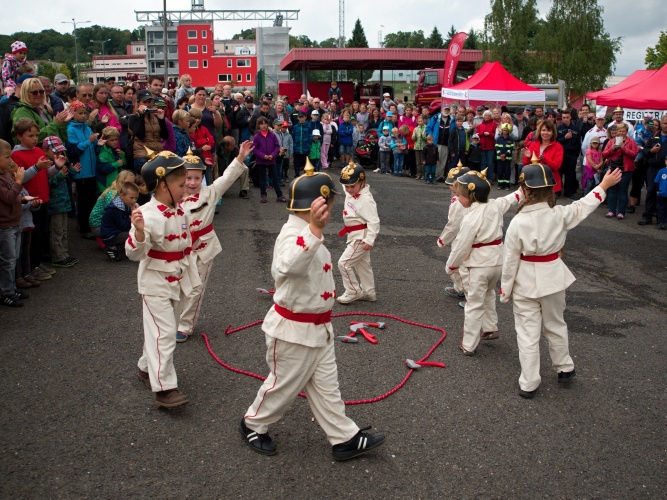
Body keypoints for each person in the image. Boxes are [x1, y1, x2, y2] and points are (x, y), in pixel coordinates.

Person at [240, 164, 385, 460]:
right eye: (329, 203)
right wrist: (315, 231)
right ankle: (253, 423)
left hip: (319, 328)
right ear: (317, 205)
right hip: (293, 331)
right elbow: (285, 268)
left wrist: (314, 231)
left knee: (327, 387)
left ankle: (344, 437)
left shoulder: (306, 230)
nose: (331, 209)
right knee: (283, 385)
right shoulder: (293, 233)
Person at [500, 161, 622, 398]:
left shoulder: (518, 222)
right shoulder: (560, 214)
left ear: (524, 189)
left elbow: (510, 260)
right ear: (550, 189)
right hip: (554, 278)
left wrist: (505, 290)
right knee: (556, 324)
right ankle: (564, 367)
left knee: (527, 334)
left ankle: (529, 382)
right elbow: (583, 205)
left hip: (525, 282)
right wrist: (604, 185)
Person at [126, 151, 200, 408]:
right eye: (180, 184)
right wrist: (139, 233)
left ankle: (146, 367)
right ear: (162, 185)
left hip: (177, 279)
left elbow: (185, 242)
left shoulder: (180, 210)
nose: (185, 189)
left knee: (162, 330)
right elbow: (133, 253)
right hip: (155, 282)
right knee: (165, 334)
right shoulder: (145, 215)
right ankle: (165, 389)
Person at [177, 144, 250, 341]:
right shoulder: (172, 198)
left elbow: (227, 178)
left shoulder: (210, 192)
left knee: (195, 289)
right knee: (176, 287)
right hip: (177, 249)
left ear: (203, 177)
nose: (192, 183)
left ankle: (185, 326)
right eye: (188, 178)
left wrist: (240, 157)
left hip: (203, 248)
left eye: (197, 178)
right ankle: (172, 319)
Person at [445, 169, 521, 356]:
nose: (457, 198)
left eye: (460, 195)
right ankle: (490, 327)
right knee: (488, 293)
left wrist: (451, 265)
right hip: (497, 262)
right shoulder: (495, 204)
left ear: (471, 196)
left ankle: (469, 344)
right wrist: (522, 190)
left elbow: (462, 246)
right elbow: (511, 199)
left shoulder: (471, 218)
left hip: (478, 265)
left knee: (473, 304)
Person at [337, 162, 380, 304]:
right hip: (355, 235)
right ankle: (369, 292)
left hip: (360, 238)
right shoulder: (353, 191)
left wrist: (370, 240)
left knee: (344, 264)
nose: (348, 189)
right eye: (346, 186)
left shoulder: (365, 200)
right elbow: (346, 186)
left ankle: (353, 291)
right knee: (362, 266)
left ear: (362, 182)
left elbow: (374, 221)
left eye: (352, 186)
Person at [67, 100, 104, 239]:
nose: (83, 116)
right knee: (83, 202)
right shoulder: (70, 130)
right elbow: (73, 151)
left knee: (91, 200)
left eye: (84, 113)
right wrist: (88, 142)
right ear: (73, 114)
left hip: (91, 170)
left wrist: (98, 144)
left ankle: (90, 227)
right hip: (81, 172)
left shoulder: (87, 128)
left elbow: (93, 147)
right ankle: (84, 228)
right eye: (80, 113)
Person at [44, 136, 79, 268]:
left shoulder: (62, 162)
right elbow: (46, 184)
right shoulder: (46, 165)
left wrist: (72, 171)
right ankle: (58, 257)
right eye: (55, 151)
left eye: (60, 151)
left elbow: (68, 179)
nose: (59, 154)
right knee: (57, 231)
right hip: (54, 205)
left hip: (64, 202)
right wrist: (59, 175)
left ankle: (64, 254)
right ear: (46, 150)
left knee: (64, 230)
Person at [437, 165, 470, 306]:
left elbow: (454, 224)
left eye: (454, 185)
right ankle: (459, 288)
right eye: (450, 184)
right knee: (459, 266)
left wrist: (443, 240)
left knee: (460, 266)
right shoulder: (464, 199)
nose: (451, 188)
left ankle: (469, 296)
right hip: (461, 236)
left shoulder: (459, 203)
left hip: (461, 237)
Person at [0, 138, 28, 306]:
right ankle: (6, 292)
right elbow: (9, 197)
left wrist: (23, 199)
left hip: (15, 222)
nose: (10, 160)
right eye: (7, 157)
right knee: (8, 261)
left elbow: (14, 196)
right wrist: (18, 182)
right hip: (5, 226)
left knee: (14, 258)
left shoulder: (5, 174)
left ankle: (11, 287)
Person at [11, 77, 69, 145]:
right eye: (35, 92)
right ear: (26, 93)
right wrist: (56, 123)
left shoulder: (42, 110)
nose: (39, 94)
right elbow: (31, 138)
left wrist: (63, 123)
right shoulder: (22, 112)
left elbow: (62, 137)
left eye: (41, 92)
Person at [601, 122, 638, 220]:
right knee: (612, 191)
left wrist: (623, 148)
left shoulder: (631, 141)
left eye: (623, 131)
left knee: (622, 191)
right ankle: (611, 210)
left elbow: (634, 154)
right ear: (617, 132)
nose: (621, 133)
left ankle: (621, 212)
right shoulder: (611, 141)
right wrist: (612, 149)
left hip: (626, 170)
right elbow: (604, 154)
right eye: (619, 131)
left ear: (626, 132)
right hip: (613, 168)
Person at [128, 89, 168, 173]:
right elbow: (140, 135)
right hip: (142, 156)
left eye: (149, 102)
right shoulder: (134, 117)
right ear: (138, 103)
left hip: (157, 155)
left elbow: (165, 136)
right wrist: (142, 115)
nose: (147, 104)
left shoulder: (155, 117)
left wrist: (162, 120)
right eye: (144, 102)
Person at [89, 170, 136, 237]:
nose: (130, 186)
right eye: (127, 183)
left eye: (132, 183)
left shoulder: (123, 193)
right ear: (120, 182)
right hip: (99, 226)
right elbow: (113, 217)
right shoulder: (113, 194)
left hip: (107, 224)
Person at [522, 120, 564, 195]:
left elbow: (556, 166)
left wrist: (544, 159)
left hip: (550, 184)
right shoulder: (533, 144)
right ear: (539, 131)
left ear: (553, 132)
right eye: (543, 130)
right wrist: (528, 157)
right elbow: (526, 164)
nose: (545, 133)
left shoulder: (558, 147)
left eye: (549, 130)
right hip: (534, 183)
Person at [100, 181, 138, 262]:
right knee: (134, 234)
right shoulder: (116, 209)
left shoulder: (125, 204)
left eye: (136, 198)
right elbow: (124, 226)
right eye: (131, 198)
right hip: (110, 235)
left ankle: (119, 247)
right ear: (122, 195)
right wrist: (133, 219)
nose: (134, 201)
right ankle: (111, 248)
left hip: (116, 231)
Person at [640, 116, 667, 226]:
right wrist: (651, 150)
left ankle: (662, 219)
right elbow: (645, 150)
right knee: (651, 191)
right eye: (665, 123)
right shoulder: (654, 135)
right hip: (653, 168)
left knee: (664, 194)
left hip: (665, 170)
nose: (666, 125)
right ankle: (647, 216)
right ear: (661, 123)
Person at [252, 116, 286, 204]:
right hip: (261, 161)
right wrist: (263, 156)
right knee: (262, 178)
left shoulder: (272, 135)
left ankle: (279, 195)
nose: (263, 125)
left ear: (267, 124)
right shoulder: (256, 136)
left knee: (275, 178)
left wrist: (273, 155)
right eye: (261, 124)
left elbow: (277, 147)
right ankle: (263, 195)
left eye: (265, 123)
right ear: (258, 125)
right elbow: (255, 149)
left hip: (271, 160)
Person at [556, 109, 582, 200]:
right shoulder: (558, 128)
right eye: (563, 118)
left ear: (570, 117)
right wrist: (564, 137)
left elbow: (578, 143)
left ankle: (569, 192)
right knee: (559, 174)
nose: (565, 119)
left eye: (567, 117)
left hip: (571, 156)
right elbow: (556, 142)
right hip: (560, 156)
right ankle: (557, 191)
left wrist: (576, 155)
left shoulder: (576, 128)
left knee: (570, 175)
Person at [96, 126, 126, 193]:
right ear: (105, 140)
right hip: (106, 187)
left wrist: (122, 156)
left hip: (117, 185)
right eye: (112, 140)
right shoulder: (103, 153)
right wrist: (117, 164)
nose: (115, 142)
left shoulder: (117, 151)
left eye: (116, 139)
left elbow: (124, 165)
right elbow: (104, 168)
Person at [475, 110, 496, 182]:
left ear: (490, 116)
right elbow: (477, 135)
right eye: (486, 115)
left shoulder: (494, 124)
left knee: (490, 163)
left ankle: (490, 178)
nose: (487, 117)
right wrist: (482, 133)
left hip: (491, 146)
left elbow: (495, 135)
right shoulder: (480, 125)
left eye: (488, 115)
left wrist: (489, 134)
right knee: (483, 163)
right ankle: (482, 177)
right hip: (482, 146)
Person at [291, 111, 312, 178]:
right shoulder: (295, 127)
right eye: (299, 117)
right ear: (298, 118)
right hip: (297, 148)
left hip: (305, 148)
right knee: (296, 163)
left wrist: (309, 146)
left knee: (306, 163)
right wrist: (294, 146)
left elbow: (310, 137)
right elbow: (293, 137)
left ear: (305, 117)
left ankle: (306, 176)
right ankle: (297, 175)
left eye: (302, 117)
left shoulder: (308, 126)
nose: (301, 118)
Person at [495, 123, 515, 190]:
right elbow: (497, 148)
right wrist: (500, 155)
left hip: (507, 158)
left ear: (508, 131)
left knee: (507, 171)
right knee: (500, 171)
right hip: (499, 158)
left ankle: (507, 185)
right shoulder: (498, 139)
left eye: (506, 130)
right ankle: (500, 185)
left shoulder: (510, 139)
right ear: (502, 130)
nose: (505, 131)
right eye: (504, 130)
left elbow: (511, 148)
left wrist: (505, 154)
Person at [412, 115, 427, 180]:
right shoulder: (416, 129)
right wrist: (414, 136)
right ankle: (419, 174)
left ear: (423, 121)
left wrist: (423, 136)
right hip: (417, 147)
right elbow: (413, 138)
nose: (420, 122)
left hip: (424, 147)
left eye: (421, 121)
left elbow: (427, 138)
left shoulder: (426, 128)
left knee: (423, 162)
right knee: (418, 162)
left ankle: (423, 174)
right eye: (419, 121)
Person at [655, 158, 667, 230]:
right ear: (665, 161)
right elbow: (657, 181)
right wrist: (657, 191)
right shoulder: (662, 171)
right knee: (661, 209)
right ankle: (660, 222)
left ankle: (665, 223)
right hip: (662, 194)